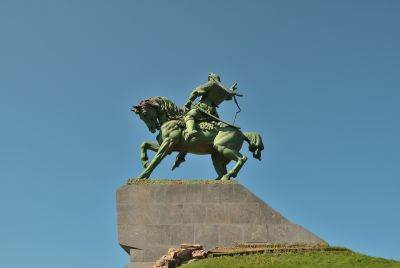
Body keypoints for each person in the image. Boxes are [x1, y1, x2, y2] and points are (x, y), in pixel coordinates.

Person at [183, 72, 242, 140]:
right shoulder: (224, 91)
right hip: (213, 114)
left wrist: (188, 103)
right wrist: (231, 90)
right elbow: (229, 97)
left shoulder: (212, 84)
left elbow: (196, 92)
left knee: (189, 116)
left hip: (202, 108)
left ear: (212, 78)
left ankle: (191, 131)